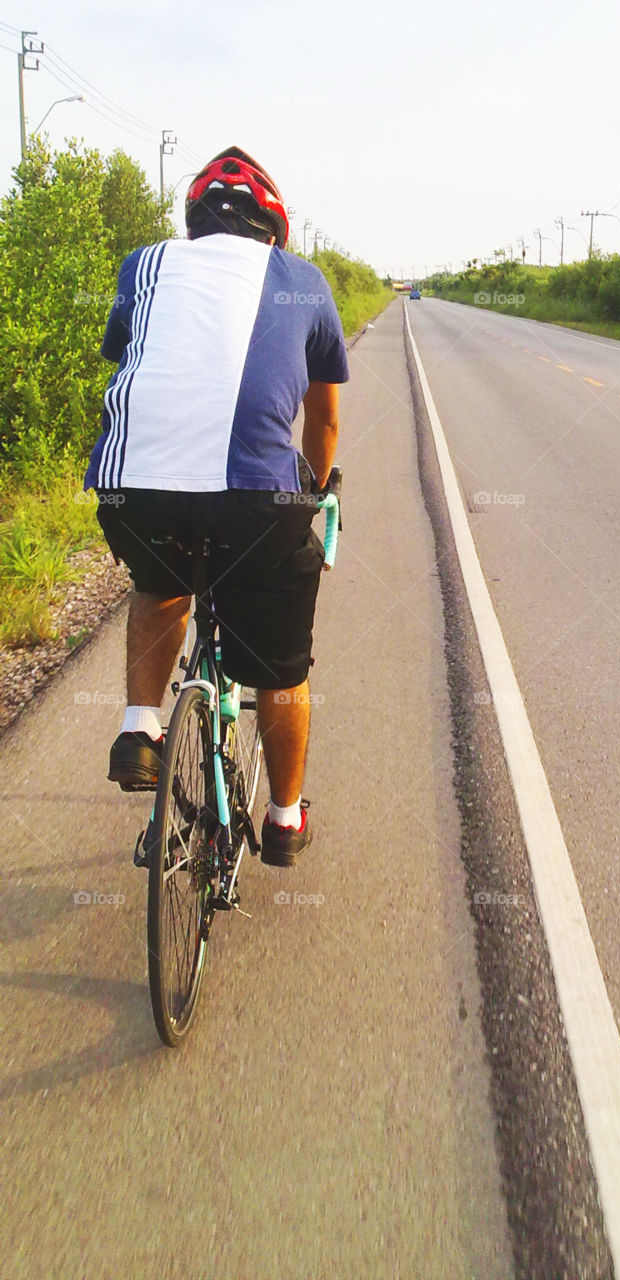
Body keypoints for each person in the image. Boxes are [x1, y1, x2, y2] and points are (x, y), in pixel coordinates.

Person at [84, 146, 348, 867]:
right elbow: (321, 427)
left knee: (160, 581)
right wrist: (314, 496)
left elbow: (132, 358)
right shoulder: (303, 282)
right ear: (273, 230)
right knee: (281, 670)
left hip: (131, 489)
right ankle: (286, 820)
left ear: (195, 226)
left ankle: (141, 727)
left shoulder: (144, 266)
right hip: (259, 505)